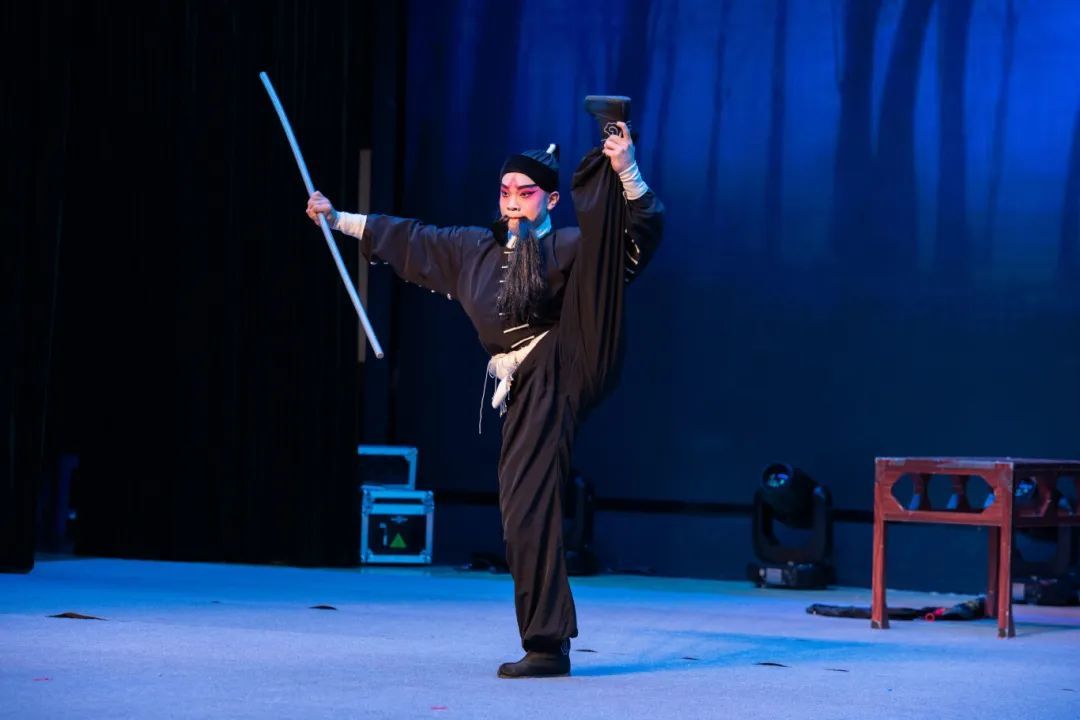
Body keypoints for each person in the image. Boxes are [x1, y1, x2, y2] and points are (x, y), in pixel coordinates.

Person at [307, 98, 664, 678]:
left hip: (568, 358)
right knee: (521, 506)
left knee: (601, 244)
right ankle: (546, 642)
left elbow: (633, 243)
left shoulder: (568, 248)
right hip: (522, 381)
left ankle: (547, 646)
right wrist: (338, 218)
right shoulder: (474, 250)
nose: (513, 200)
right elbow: (412, 239)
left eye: (526, 192)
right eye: (505, 191)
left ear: (550, 200)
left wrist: (625, 171)